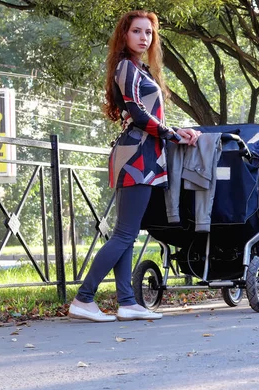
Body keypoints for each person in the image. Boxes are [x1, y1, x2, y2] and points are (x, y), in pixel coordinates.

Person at [69, 10, 200, 322]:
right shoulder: (126, 67)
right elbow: (139, 116)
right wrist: (172, 135)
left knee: (127, 233)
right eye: (137, 31)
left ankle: (127, 302)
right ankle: (84, 298)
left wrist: (175, 132)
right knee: (125, 234)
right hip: (135, 155)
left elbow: (147, 116)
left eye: (149, 33)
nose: (144, 37)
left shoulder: (140, 69)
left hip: (144, 154)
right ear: (124, 36)